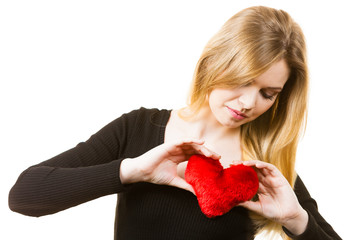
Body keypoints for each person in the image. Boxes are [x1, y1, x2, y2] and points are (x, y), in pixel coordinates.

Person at [8, 6, 341, 240]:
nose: (248, 103)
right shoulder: (137, 127)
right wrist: (130, 172)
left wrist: (296, 221)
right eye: (242, 81)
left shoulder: (264, 166)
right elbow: (23, 196)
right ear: (215, 63)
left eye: (268, 93)